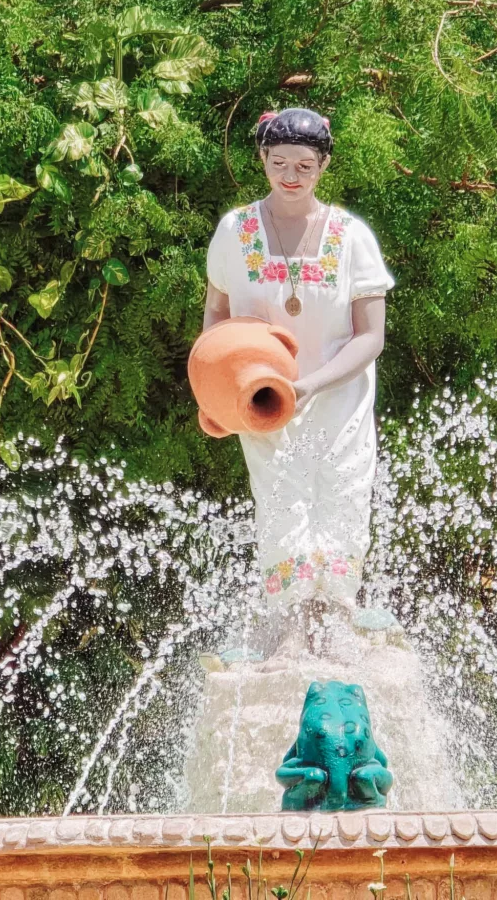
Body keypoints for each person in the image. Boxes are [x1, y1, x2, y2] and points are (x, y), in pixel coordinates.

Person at [202, 108, 396, 657]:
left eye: (305, 165)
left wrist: (312, 383)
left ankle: (334, 616)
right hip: (261, 398)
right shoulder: (235, 231)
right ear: (262, 158)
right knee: (280, 500)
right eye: (280, 161)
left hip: (340, 397)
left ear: (324, 165)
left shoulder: (352, 237)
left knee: (342, 493)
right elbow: (215, 318)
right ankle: (289, 623)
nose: (291, 175)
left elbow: (370, 336)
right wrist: (214, 387)